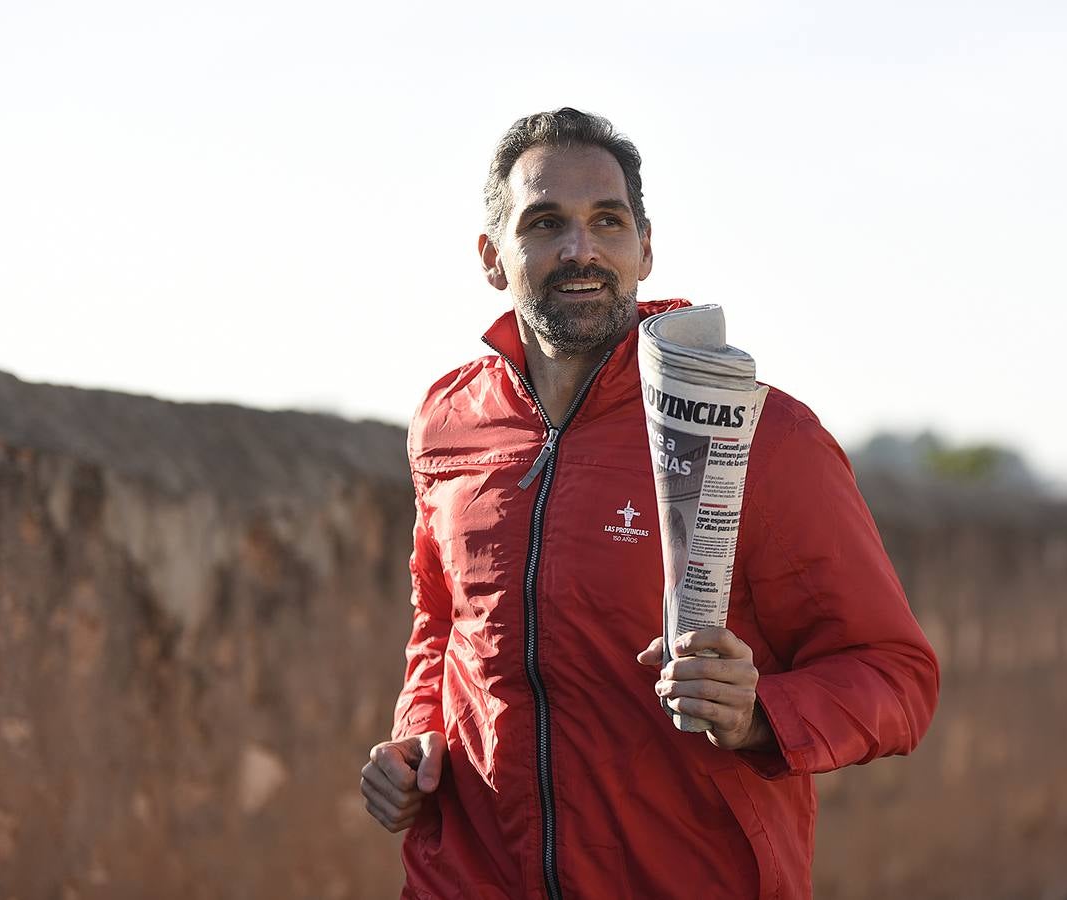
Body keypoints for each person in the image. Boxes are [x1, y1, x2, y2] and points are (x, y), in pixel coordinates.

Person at [360, 108, 940, 899]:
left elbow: (896, 676)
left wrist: (759, 713)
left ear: (646, 248)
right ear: (492, 257)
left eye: (607, 220)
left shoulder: (763, 434)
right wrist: (413, 738)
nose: (580, 250)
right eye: (544, 223)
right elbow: (442, 626)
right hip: (465, 878)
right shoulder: (449, 421)